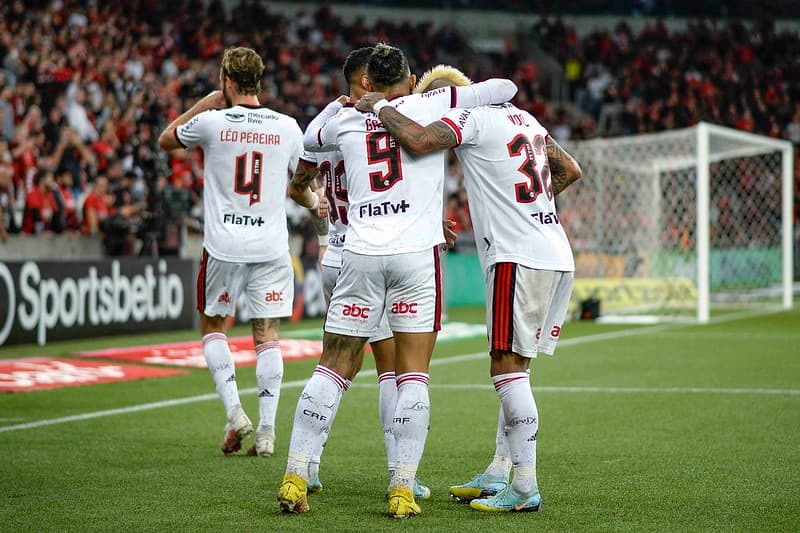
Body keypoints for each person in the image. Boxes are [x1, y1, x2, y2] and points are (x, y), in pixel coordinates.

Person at [278, 43, 517, 518]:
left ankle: (295, 474)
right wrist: (432, 98)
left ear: (366, 81)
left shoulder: (343, 118)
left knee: (332, 366)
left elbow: (309, 142)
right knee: (411, 374)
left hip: (359, 254)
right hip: (415, 259)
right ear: (409, 78)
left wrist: (350, 103)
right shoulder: (432, 104)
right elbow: (505, 89)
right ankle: (402, 489)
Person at [357, 64, 582, 513]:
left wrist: (380, 106)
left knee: (505, 370)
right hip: (554, 250)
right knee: (518, 367)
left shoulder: (472, 117)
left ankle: (525, 486)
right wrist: (530, 209)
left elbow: (418, 140)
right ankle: (500, 471)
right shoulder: (526, 119)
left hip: (516, 256)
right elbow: (570, 170)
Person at [288, 46, 443, 500]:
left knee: (333, 363)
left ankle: (304, 467)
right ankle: (403, 479)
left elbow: (305, 157)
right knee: (396, 370)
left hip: (343, 254)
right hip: (402, 251)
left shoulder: (334, 125)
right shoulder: (416, 111)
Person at [158, 46, 325, 458]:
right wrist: (315, 202)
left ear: (228, 81)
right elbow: (300, 188)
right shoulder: (287, 127)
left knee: (214, 327)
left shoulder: (212, 122)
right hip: (271, 246)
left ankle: (235, 413)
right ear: (260, 81)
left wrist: (210, 101)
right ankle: (267, 432)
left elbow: (166, 139)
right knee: (267, 335)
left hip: (224, 246)